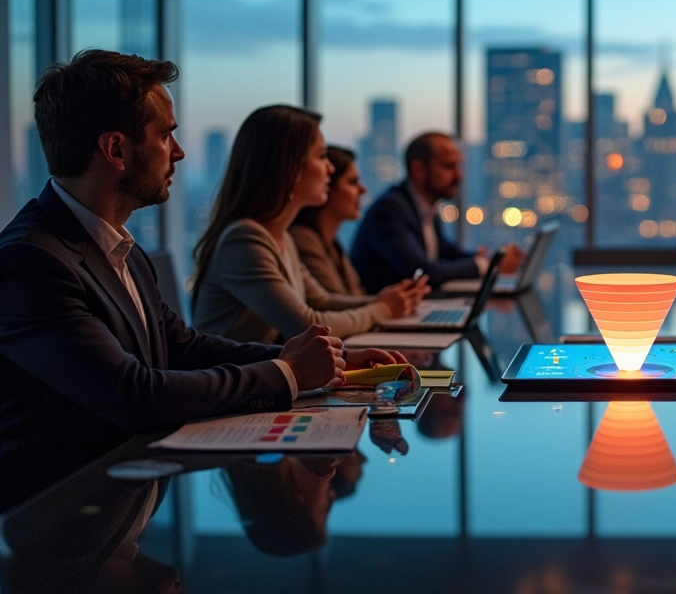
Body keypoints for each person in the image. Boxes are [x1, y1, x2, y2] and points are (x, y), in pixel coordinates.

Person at [0, 50, 399, 512]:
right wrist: (289, 373)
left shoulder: (120, 247)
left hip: (124, 495)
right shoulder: (31, 260)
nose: (178, 151)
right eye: (165, 135)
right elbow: (134, 396)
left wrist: (328, 362)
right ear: (116, 150)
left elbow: (181, 347)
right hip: (61, 516)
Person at [192, 106, 428, 344]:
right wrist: (382, 309)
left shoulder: (282, 237)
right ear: (291, 168)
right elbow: (307, 325)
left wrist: (385, 301)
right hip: (239, 369)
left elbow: (322, 302)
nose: (330, 168)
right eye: (321, 156)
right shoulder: (244, 240)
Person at [351, 132, 525, 291]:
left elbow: (445, 253)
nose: (459, 176)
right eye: (449, 166)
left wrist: (493, 260)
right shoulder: (389, 210)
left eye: (459, 166)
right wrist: (486, 266)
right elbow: (422, 272)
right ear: (418, 169)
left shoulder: (424, 206)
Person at [291, 145, 389, 296]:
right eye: (352, 182)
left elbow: (354, 296)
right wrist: (386, 302)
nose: (363, 190)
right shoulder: (303, 239)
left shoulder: (333, 243)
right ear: (327, 186)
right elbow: (331, 302)